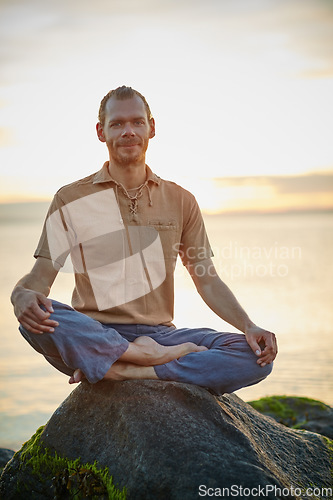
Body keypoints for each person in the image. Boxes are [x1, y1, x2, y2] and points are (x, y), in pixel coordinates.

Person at [11, 86, 277, 395]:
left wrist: (248, 326)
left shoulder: (181, 200)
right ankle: (141, 357)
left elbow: (207, 280)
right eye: (117, 124)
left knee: (253, 355)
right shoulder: (71, 198)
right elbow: (41, 278)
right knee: (35, 321)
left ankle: (125, 370)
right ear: (101, 131)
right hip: (96, 331)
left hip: (161, 336)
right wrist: (20, 295)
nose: (129, 131)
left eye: (137, 122)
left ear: (152, 127)